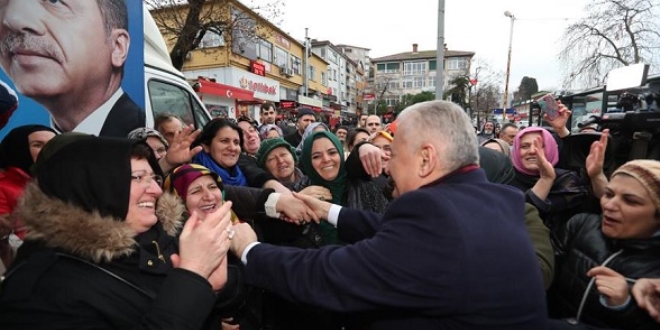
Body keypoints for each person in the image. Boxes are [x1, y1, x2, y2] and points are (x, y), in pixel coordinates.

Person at [229, 100, 548, 329]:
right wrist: (329, 211)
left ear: (426, 159)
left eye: (394, 154)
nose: (388, 165)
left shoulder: (434, 215)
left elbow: (331, 276)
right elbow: (386, 228)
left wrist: (250, 250)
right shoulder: (496, 198)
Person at [0, 133, 241, 329]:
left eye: (154, 177)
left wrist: (212, 286)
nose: (156, 190)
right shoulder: (38, 291)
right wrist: (193, 276)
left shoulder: (157, 235)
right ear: (94, 187)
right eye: (137, 177)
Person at [0, 0, 144, 137]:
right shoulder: (26, 150)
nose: (13, 19)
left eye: (54, 1)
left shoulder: (141, 141)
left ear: (117, 46)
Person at [547, 159, 660, 329]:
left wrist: (623, 306)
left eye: (630, 201)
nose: (610, 205)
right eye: (609, 194)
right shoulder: (581, 224)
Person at [0, 125, 56, 272]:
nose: (46, 151)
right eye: (37, 145)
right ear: (19, 148)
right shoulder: (2, 184)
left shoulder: (65, 182)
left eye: (53, 144)